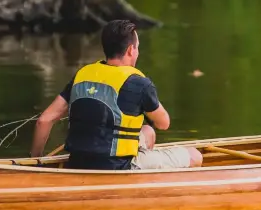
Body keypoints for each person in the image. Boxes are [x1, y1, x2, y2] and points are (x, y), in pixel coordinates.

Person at [29, 19, 203, 170]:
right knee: (195, 156)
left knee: (148, 132)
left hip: (77, 162)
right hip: (119, 166)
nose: (137, 52)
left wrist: (37, 161)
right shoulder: (139, 83)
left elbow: (44, 121)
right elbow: (164, 123)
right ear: (130, 50)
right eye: (137, 48)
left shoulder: (82, 75)